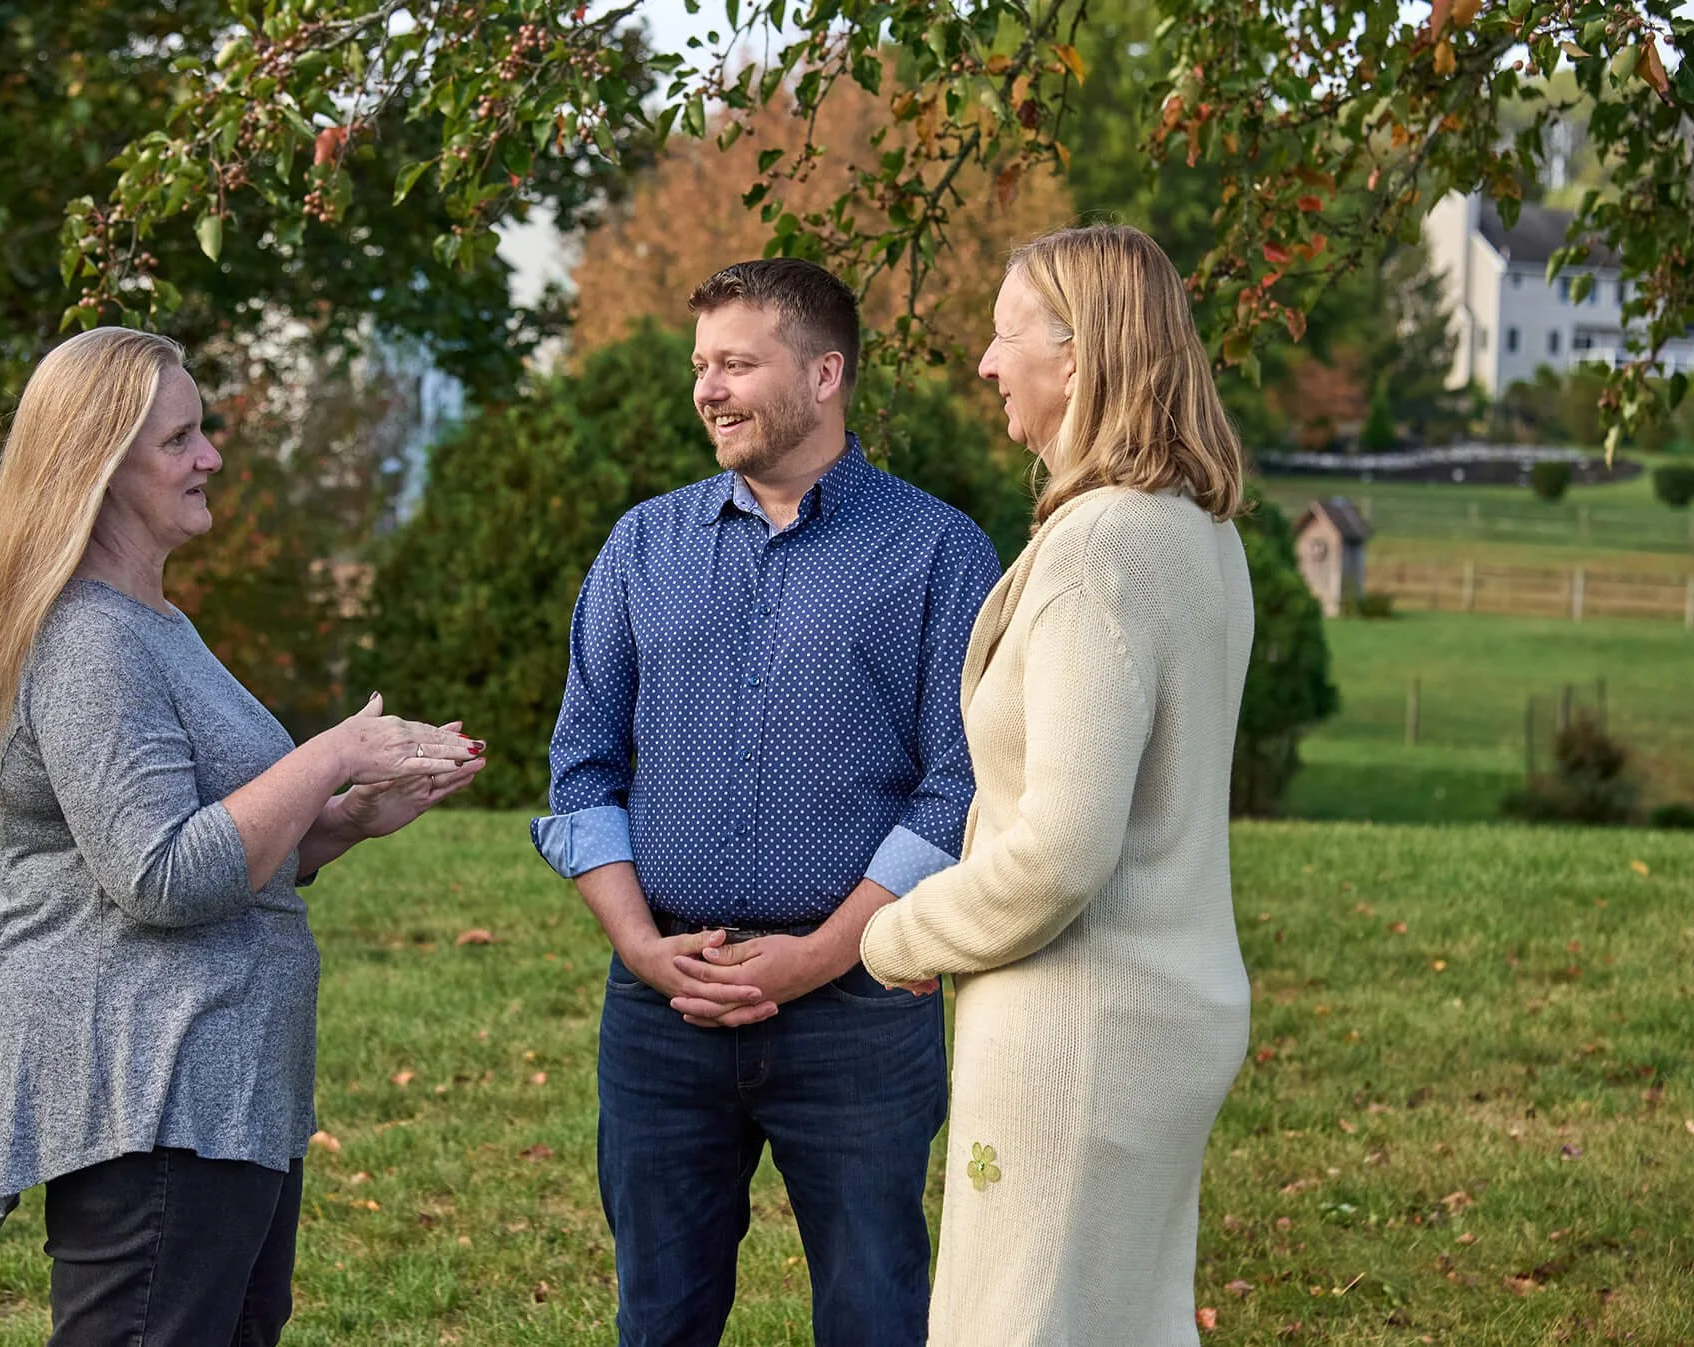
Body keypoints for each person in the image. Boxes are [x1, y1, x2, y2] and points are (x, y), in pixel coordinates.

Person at [0, 326, 484, 1345]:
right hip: (149, 1087)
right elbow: (161, 876)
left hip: (218, 1088)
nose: (211, 456)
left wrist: (350, 821)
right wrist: (329, 756)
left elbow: (221, 845)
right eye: (179, 438)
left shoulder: (155, 625)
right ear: (98, 469)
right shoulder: (92, 641)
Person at [530, 258, 1001, 1346]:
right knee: (659, 1315)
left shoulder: (937, 552)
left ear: (824, 372)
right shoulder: (641, 547)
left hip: (858, 1008)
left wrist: (825, 953)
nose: (709, 390)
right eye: (701, 366)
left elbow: (957, 783)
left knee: (875, 1307)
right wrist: (643, 949)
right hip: (661, 1007)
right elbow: (582, 766)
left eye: (737, 364)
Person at [858, 224, 1255, 1346]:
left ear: (1077, 357)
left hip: (1079, 1028)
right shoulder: (1195, 534)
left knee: (1018, 1324)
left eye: (1004, 333)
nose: (984, 363)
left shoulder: (1098, 553)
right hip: (1161, 1016)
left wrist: (899, 937)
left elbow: (1064, 847)